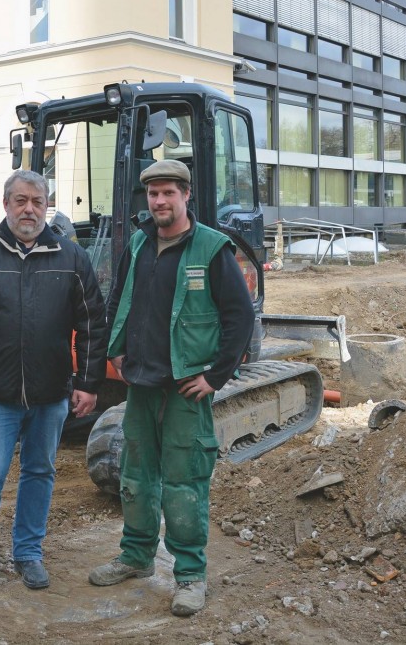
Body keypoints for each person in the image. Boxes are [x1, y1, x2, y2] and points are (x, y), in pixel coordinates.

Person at [88, 158, 254, 617]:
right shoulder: (140, 243)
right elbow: (120, 298)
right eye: (153, 193)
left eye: (168, 193)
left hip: (186, 388)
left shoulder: (212, 249)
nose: (159, 201)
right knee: (136, 479)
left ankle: (189, 576)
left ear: (185, 196)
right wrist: (117, 350)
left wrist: (216, 375)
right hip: (141, 382)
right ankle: (136, 556)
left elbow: (240, 317)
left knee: (184, 484)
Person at [0, 169, 107, 619]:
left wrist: (88, 382)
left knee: (40, 472)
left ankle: (28, 553)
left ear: (46, 205)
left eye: (36, 201)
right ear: (6, 203)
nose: (28, 209)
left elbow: (92, 323)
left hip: (51, 394)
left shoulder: (71, 257)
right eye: (20, 201)